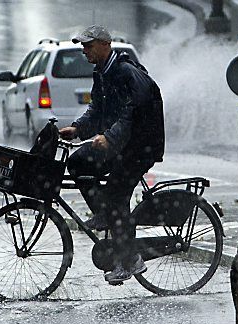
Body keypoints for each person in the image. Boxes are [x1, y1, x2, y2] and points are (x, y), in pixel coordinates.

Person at [58, 25, 165, 285]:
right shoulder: (101, 74)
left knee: (117, 194)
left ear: (106, 45)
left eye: (89, 45)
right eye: (83, 46)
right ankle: (106, 214)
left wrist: (109, 137)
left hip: (141, 146)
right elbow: (97, 109)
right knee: (78, 161)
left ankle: (130, 260)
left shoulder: (126, 72)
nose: (85, 50)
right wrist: (78, 128)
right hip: (120, 144)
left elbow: (132, 112)